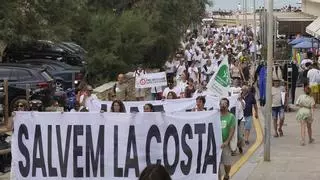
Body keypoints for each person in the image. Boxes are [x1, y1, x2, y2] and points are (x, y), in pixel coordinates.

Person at [219, 98, 236, 180]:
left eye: (224, 103)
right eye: (221, 103)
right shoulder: (216, 115)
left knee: (227, 163)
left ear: (228, 105)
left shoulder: (231, 116)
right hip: (216, 143)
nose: (222, 105)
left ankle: (226, 175)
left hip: (225, 144)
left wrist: (227, 141)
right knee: (216, 164)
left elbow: (232, 130)